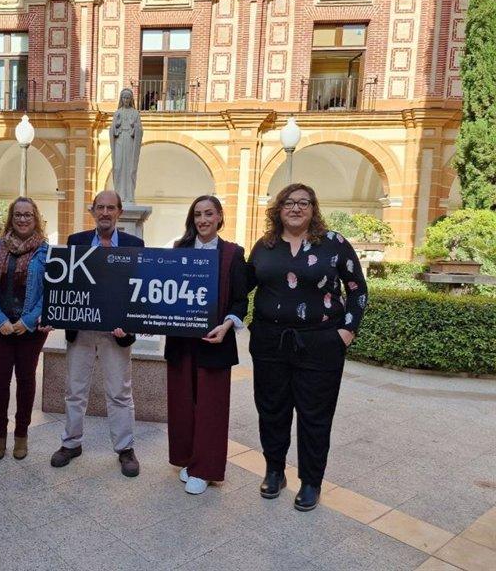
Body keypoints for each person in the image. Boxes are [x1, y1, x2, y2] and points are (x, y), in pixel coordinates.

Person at [246, 183, 367, 511]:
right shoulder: (265, 245)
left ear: (313, 209)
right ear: (278, 209)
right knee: (272, 410)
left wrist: (346, 333)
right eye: (288, 203)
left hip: (321, 343)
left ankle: (311, 482)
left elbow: (357, 289)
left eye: (303, 203)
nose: (296, 208)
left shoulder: (334, 244)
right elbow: (241, 286)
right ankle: (274, 471)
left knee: (315, 416)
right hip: (270, 344)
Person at [50, 190, 144, 477]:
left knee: (119, 392)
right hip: (82, 329)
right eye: (100, 207)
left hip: (115, 332)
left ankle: (125, 449)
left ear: (119, 212)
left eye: (110, 208)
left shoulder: (134, 244)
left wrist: (128, 322)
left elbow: (138, 288)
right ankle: (71, 443)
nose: (105, 212)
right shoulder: (76, 242)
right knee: (75, 391)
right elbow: (65, 283)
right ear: (92, 211)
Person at [164, 196, 248, 495]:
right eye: (198, 214)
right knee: (182, 404)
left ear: (219, 216)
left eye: (208, 214)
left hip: (216, 341)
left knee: (212, 408)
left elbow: (240, 300)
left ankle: (206, 468)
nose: (203, 220)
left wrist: (227, 325)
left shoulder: (232, 254)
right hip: (181, 343)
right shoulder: (179, 250)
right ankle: (188, 460)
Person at [0, 197, 51, 461]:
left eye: (28, 215)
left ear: (35, 219)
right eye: (18, 215)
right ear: (11, 218)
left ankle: (21, 435)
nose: (22, 219)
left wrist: (28, 321)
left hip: (29, 330)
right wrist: (0, 320)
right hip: (0, 328)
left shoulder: (45, 251)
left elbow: (49, 291)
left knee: (26, 380)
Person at [109, 88, 143, 204]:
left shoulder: (135, 113)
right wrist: (116, 125)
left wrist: (135, 127)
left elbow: (139, 130)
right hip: (119, 141)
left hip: (130, 141)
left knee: (129, 169)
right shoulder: (117, 113)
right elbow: (112, 129)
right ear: (121, 99)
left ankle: (129, 196)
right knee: (118, 168)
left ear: (131, 99)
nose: (126, 100)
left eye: (128, 98)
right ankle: (119, 195)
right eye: (124, 97)